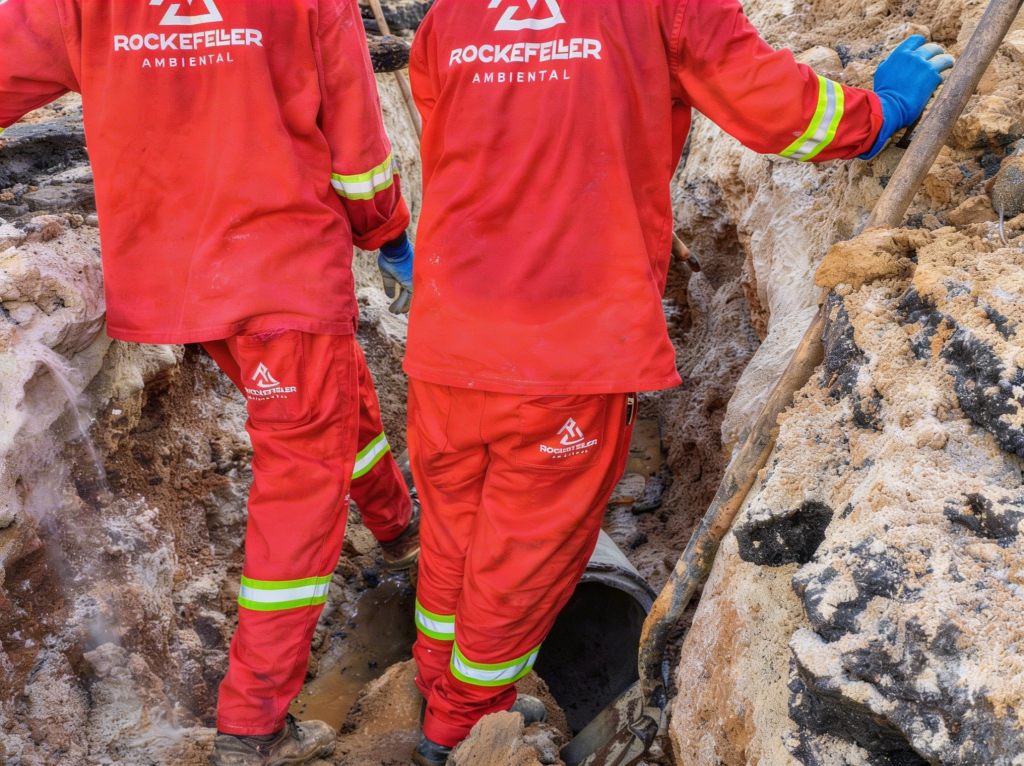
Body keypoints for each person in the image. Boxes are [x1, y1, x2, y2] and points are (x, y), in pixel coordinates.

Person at [404, 1, 953, 762]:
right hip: (567, 349)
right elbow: (781, 112)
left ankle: (433, 678)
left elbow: (476, 135)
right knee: (524, 561)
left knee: (454, 530)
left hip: (448, 333)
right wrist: (882, 110)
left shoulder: (448, 17)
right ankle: (462, 724)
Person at [0, 1, 420, 764]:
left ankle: (397, 530)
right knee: (303, 480)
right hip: (280, 268)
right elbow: (359, 153)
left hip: (178, 274)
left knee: (327, 402)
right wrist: (386, 231)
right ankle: (254, 724)